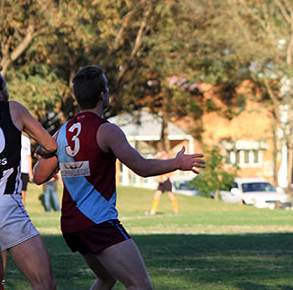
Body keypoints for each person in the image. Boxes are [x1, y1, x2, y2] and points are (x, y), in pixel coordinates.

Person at [32, 65, 205, 290]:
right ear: (103, 94)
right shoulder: (107, 130)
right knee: (140, 285)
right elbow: (141, 167)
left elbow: (38, 176)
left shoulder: (63, 131)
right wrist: (178, 163)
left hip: (72, 225)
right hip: (98, 222)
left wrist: (56, 157)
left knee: (106, 279)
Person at [0, 62, 57, 290]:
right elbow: (50, 144)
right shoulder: (12, 108)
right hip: (4, 206)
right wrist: (41, 151)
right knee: (45, 283)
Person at [20, 134, 32, 206]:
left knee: (23, 194)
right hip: (14, 170)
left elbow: (29, 156)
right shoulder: (10, 137)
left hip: (24, 169)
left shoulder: (26, 139)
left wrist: (30, 173)